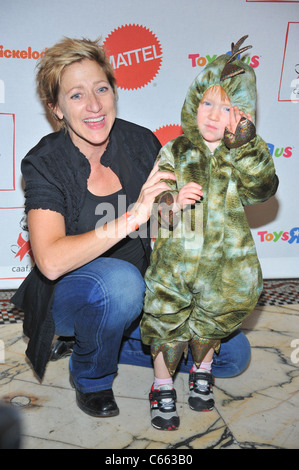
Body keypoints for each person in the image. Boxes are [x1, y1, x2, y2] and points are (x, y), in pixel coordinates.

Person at [11, 36, 253, 420]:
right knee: (121, 282)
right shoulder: (45, 163)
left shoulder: (140, 141)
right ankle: (91, 376)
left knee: (232, 357)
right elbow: (51, 261)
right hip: (70, 294)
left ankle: (97, 339)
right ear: (56, 108)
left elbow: (165, 221)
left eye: (101, 89)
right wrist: (134, 215)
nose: (94, 105)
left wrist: (180, 207)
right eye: (76, 96)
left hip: (139, 291)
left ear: (114, 92)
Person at [140, 36, 279, 430]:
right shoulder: (176, 148)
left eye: (228, 108)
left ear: (244, 116)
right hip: (176, 262)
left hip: (226, 264)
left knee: (215, 315)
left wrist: (247, 149)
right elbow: (154, 198)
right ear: (193, 103)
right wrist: (172, 201)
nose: (215, 116)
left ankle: (202, 371)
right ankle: (162, 384)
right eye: (207, 103)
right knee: (166, 318)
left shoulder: (245, 152)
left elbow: (262, 189)